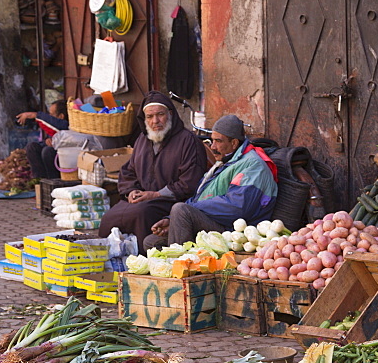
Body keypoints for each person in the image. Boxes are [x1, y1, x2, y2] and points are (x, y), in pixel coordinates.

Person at [144, 115, 279, 250]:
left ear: (234, 143)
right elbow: (200, 197)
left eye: (218, 141)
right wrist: (170, 219)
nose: (213, 147)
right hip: (217, 221)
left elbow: (237, 207)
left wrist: (193, 209)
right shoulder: (226, 161)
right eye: (212, 141)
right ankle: (181, 258)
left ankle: (183, 265)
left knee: (181, 210)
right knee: (151, 242)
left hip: (234, 231)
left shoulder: (253, 165)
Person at [97, 91, 208, 246]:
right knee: (109, 218)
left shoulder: (188, 141)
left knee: (141, 213)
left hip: (171, 202)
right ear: (144, 118)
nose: (155, 121)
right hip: (141, 199)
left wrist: (154, 194)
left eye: (160, 114)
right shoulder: (142, 139)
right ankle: (113, 260)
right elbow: (129, 171)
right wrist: (131, 191)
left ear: (170, 114)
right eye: (149, 116)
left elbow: (189, 183)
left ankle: (144, 261)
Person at [16, 99, 68, 179]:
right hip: (51, 154)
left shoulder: (67, 125)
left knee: (47, 151)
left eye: (51, 115)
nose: (49, 116)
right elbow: (49, 138)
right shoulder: (53, 128)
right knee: (32, 147)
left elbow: (60, 126)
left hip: (63, 158)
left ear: (61, 116)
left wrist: (36, 115)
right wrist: (47, 141)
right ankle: (39, 180)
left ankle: (53, 181)